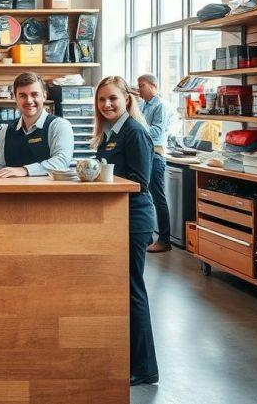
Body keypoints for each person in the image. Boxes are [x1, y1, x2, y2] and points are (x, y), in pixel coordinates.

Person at [93, 75, 159, 386]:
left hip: (134, 220)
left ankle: (145, 368)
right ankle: (129, 359)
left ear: (127, 100)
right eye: (102, 99)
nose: (107, 104)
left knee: (133, 290)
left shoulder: (135, 132)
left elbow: (140, 182)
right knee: (124, 289)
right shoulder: (110, 133)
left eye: (113, 99)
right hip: (119, 218)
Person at [0, 72, 74, 178]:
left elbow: (61, 162)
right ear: (15, 98)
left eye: (34, 94)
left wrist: (25, 170)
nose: (29, 101)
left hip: (48, 193)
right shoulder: (6, 131)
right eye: (23, 96)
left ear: (44, 96)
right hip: (13, 193)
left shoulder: (59, 126)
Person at [138, 73, 175, 253]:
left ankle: (165, 240)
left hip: (156, 156)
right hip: (145, 155)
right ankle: (147, 237)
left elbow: (157, 131)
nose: (139, 89)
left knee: (158, 198)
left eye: (142, 85)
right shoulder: (143, 105)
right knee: (146, 196)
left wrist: (137, 126)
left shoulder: (160, 106)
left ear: (153, 85)